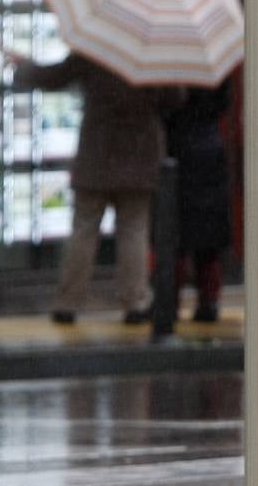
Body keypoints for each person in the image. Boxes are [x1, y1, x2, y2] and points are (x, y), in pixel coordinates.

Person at [13, 52, 183, 325]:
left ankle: (67, 302)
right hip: (140, 153)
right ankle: (135, 302)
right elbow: (175, 98)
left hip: (97, 150)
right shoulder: (151, 52)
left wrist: (24, 67)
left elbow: (55, 77)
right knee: (134, 229)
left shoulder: (95, 47)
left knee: (83, 228)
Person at [165, 79, 233, 322]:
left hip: (178, 153)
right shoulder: (213, 70)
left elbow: (167, 108)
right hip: (210, 150)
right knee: (208, 240)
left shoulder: (172, 71)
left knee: (174, 237)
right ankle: (209, 301)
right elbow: (224, 103)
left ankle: (169, 302)